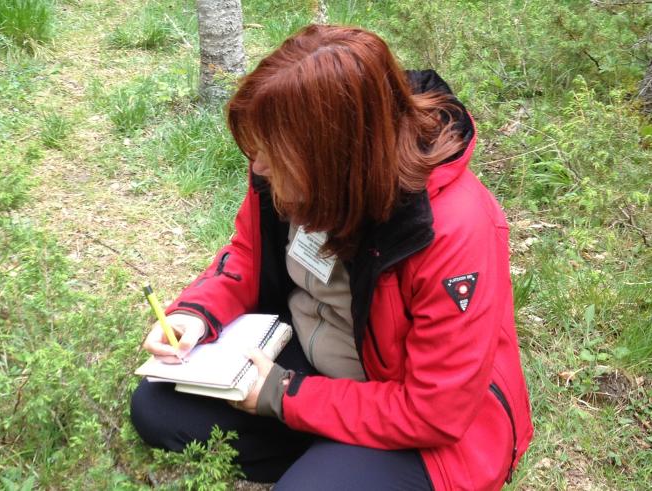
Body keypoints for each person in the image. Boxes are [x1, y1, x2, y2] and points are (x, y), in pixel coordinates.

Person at [131, 25, 533, 490]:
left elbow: (435, 411)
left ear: (334, 154)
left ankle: (332, 459)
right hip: (316, 354)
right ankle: (331, 452)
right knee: (157, 408)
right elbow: (246, 253)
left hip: (419, 422)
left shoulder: (453, 227)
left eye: (272, 152)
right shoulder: (289, 171)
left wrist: (286, 397)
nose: (257, 165)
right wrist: (197, 316)